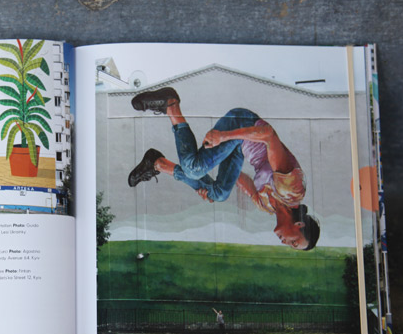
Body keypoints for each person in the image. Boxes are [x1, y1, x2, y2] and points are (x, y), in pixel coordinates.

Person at [127, 87, 319, 251]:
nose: (286, 243)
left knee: (219, 194)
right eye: (294, 242)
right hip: (245, 125)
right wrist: (224, 137)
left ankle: (157, 163)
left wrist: (209, 187)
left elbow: (238, 178)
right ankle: (171, 105)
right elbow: (268, 135)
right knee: (194, 169)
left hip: (240, 147)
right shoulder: (292, 190)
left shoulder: (266, 206)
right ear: (299, 225)